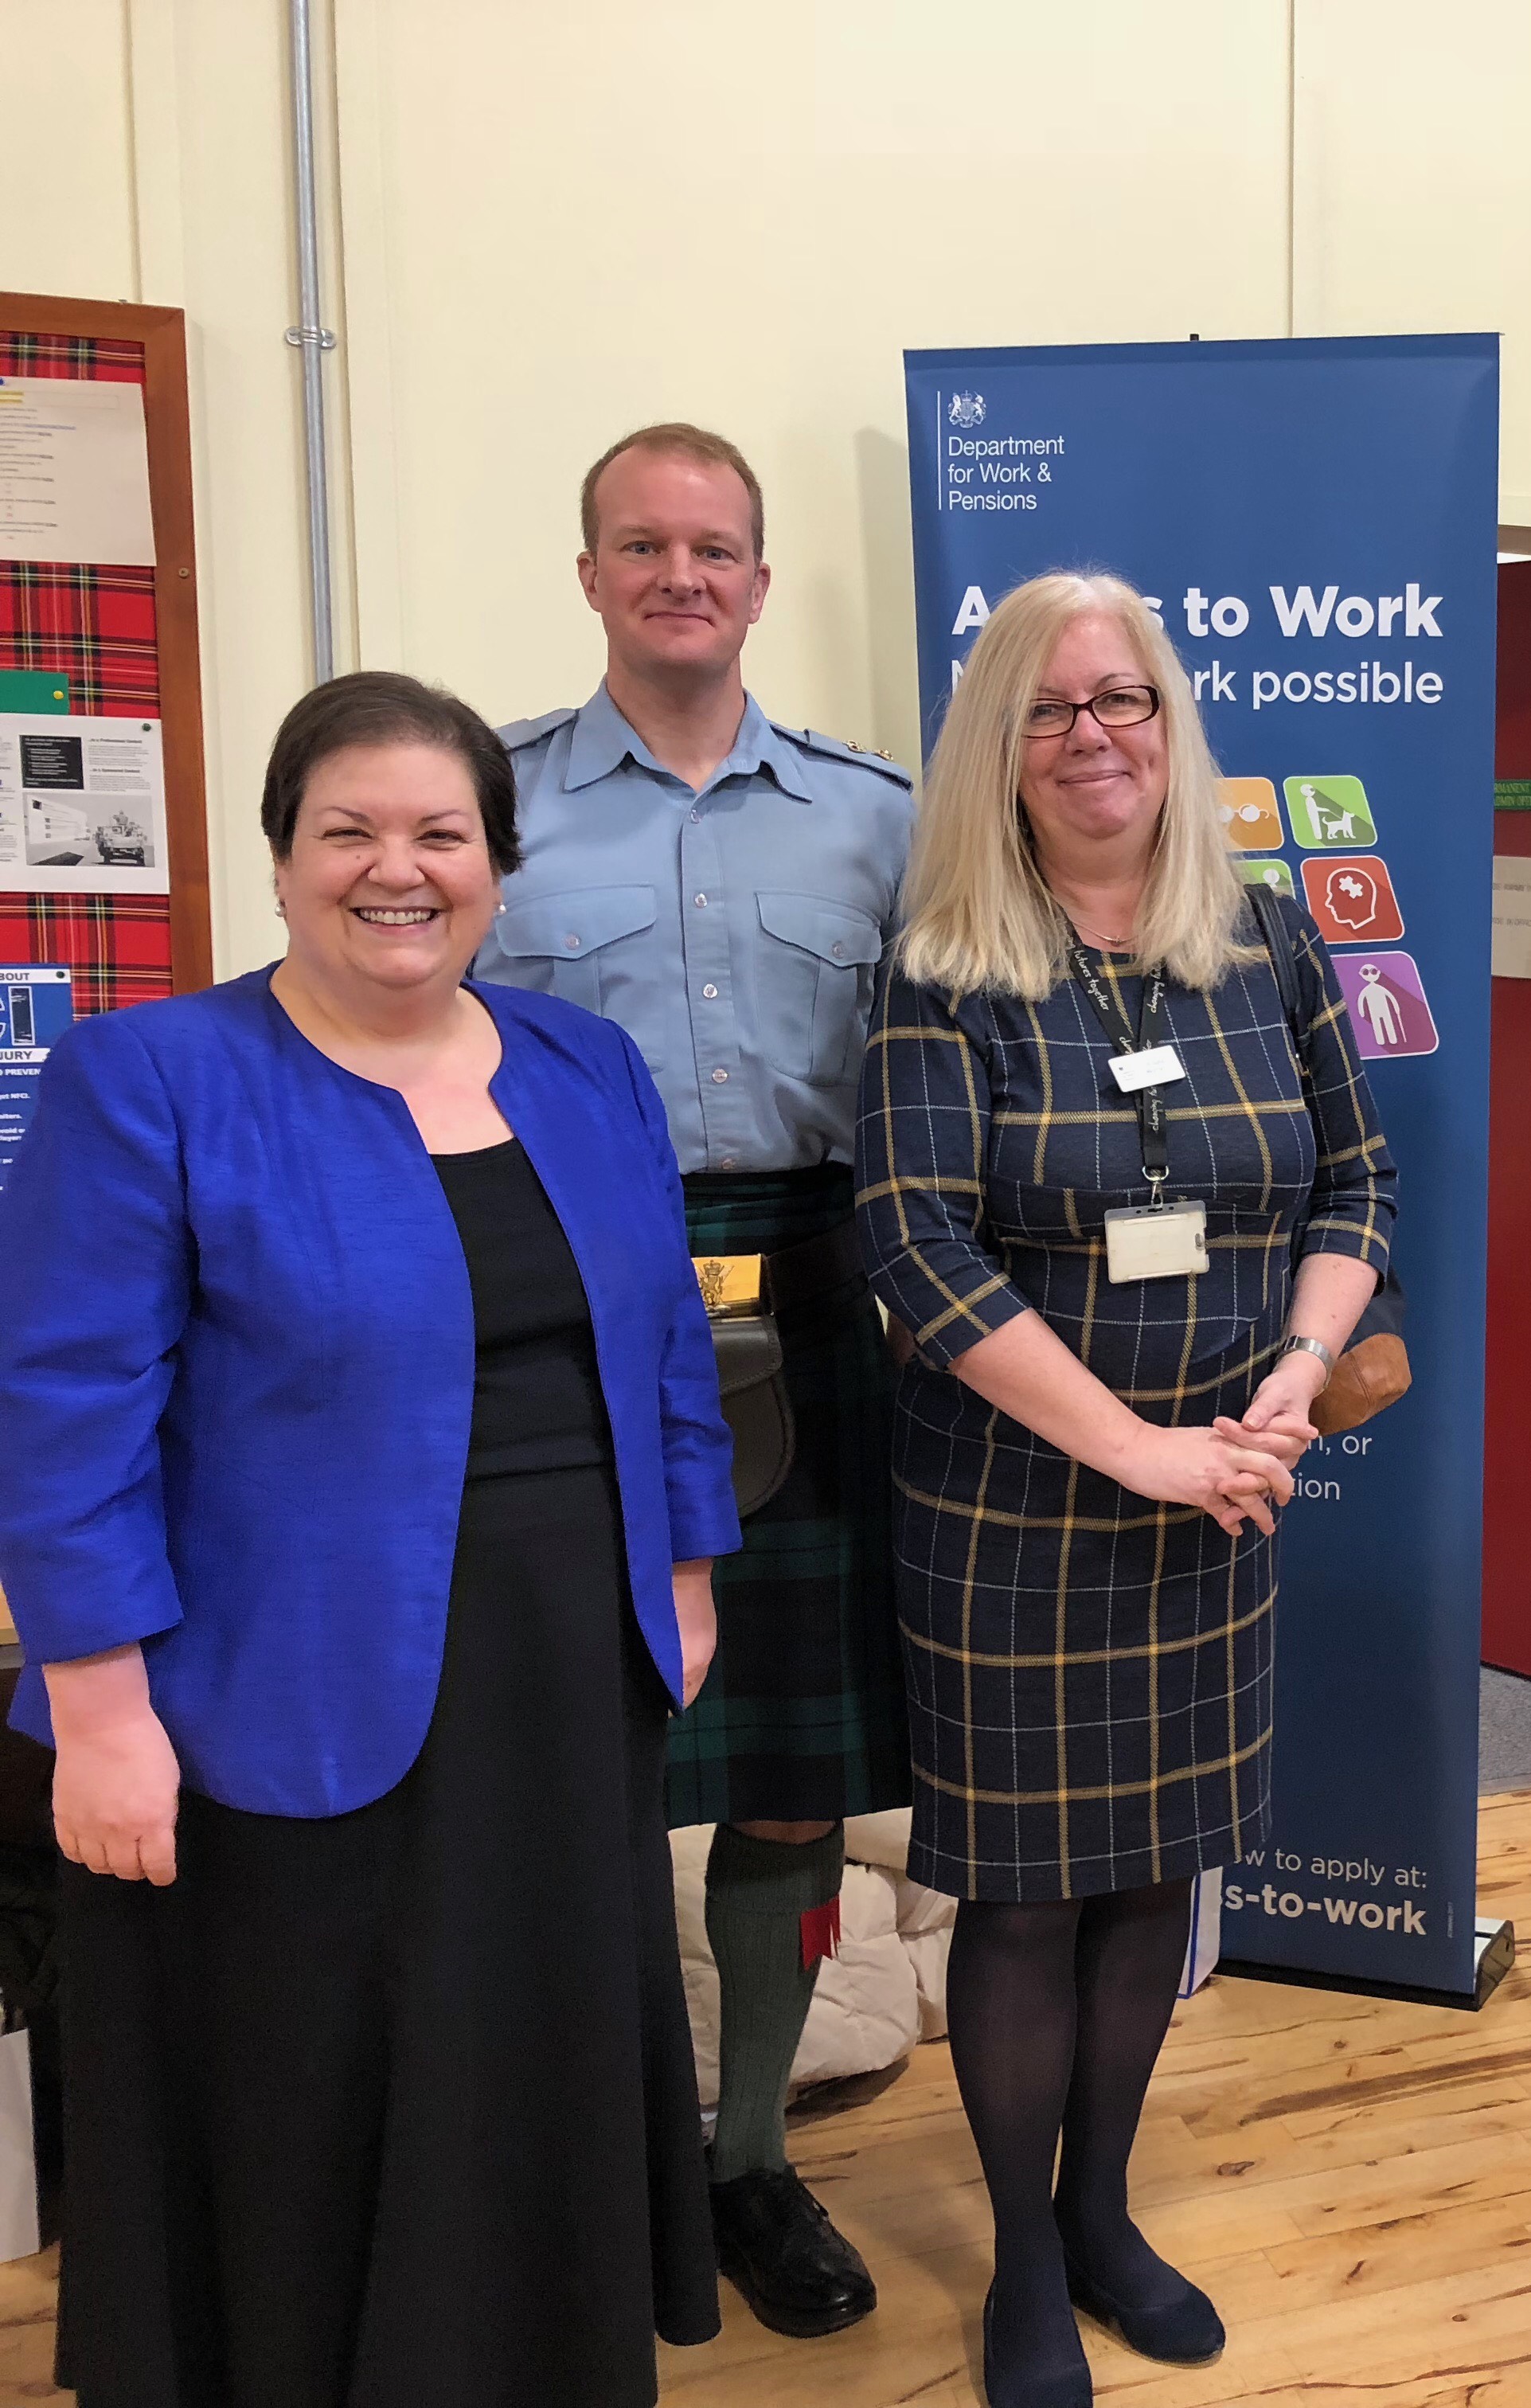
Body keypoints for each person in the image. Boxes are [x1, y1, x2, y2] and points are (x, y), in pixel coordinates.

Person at [0, 672, 734, 2403]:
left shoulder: (587, 1063)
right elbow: (63, 1408)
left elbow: (669, 1348)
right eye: (349, 832)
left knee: (526, 2051)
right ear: (281, 858)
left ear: (497, 866)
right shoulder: (153, 1077)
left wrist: (689, 1576)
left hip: (566, 1677)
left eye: (440, 835)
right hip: (272, 1686)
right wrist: (98, 1709)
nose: (397, 870)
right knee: (307, 2085)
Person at [858, 569, 1391, 2406]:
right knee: (1024, 1900)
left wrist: (1296, 1374)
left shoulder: (1265, 941)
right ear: (998, 748)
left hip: (1218, 1500)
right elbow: (915, 1246)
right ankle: (1023, 2259)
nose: (1093, 736)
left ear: (1170, 720)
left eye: (1123, 699)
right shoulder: (943, 962)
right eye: (1049, 708)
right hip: (1014, 1516)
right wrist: (1142, 1447)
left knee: (1157, 1868)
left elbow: (1357, 1186)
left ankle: (1103, 2215)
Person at [473, 422, 913, 2340]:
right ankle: (596, 2156)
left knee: (794, 1782)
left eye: (714, 547)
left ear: (759, 578)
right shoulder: (484, 801)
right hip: (558, 1300)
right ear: (588, 575)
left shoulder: (876, 816)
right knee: (568, 1763)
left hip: (817, 1301)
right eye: (642, 546)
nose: (681, 575)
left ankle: (746, 2158)